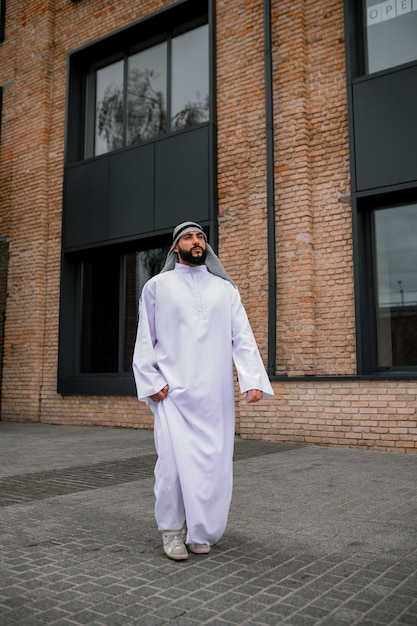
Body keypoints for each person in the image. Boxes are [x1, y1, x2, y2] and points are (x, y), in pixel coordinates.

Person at [133, 221, 274, 561]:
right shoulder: (157, 287)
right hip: (173, 395)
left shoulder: (225, 290)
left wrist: (251, 379)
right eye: (189, 237)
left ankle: (200, 531)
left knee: (214, 466)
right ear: (175, 247)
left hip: (216, 396)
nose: (196, 242)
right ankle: (171, 532)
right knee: (171, 466)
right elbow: (144, 338)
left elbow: (241, 336)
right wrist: (151, 382)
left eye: (200, 237)